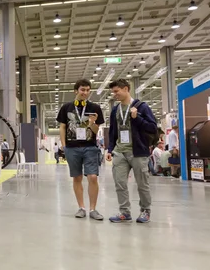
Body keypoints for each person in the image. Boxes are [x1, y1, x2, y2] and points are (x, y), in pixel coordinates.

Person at [106, 79, 158, 224]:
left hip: (138, 152)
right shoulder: (115, 110)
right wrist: (110, 149)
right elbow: (112, 132)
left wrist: (137, 118)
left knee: (142, 184)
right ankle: (124, 212)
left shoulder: (142, 107)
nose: (114, 94)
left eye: (116, 91)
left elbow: (153, 128)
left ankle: (145, 211)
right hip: (119, 151)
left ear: (126, 89)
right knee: (120, 183)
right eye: (113, 92)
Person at [56, 79, 105, 220]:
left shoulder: (95, 108)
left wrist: (92, 123)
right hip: (72, 147)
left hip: (90, 146)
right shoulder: (66, 108)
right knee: (76, 177)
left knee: (93, 177)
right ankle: (82, 207)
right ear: (76, 91)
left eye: (88, 90)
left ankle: (93, 209)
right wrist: (64, 145)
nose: (85, 92)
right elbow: (62, 127)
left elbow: (96, 130)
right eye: (83, 90)